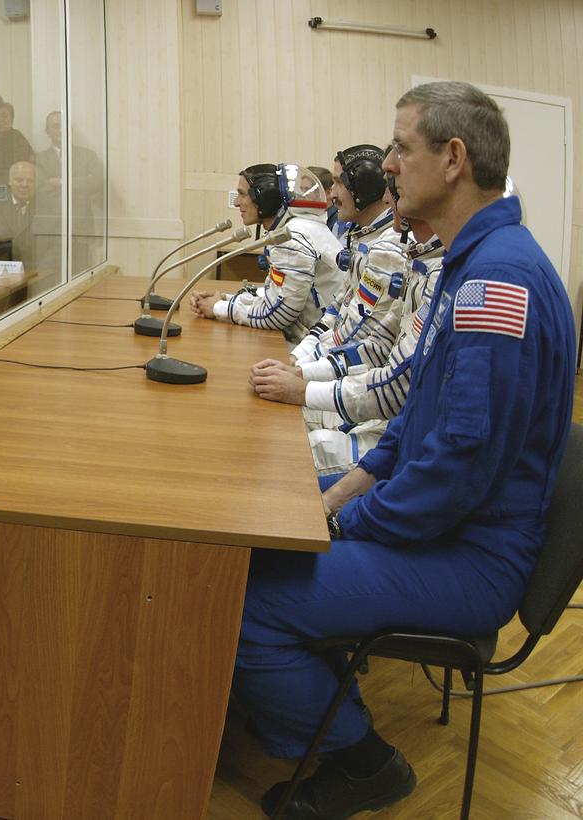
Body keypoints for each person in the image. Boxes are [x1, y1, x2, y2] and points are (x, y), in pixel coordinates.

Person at [237, 81, 575, 819]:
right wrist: (339, 494)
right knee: (272, 544)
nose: (383, 164)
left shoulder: (498, 281)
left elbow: (457, 464)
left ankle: (364, 763)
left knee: (249, 604)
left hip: (472, 557)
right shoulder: (472, 260)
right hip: (445, 531)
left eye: (399, 147)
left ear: (452, 159)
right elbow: (419, 417)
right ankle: (317, 705)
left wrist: (347, 524)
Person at [250, 204, 445, 477]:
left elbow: (393, 384)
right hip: (386, 414)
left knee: (292, 452)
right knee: (270, 420)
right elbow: (369, 339)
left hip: (405, 433)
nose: (332, 195)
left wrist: (302, 386)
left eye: (340, 182)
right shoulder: (415, 260)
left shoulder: (404, 258)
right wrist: (300, 372)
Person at [186, 163, 342, 344]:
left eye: (243, 194)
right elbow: (276, 296)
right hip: (313, 340)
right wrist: (227, 299)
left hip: (317, 348)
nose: (237, 202)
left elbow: (278, 315)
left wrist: (219, 308)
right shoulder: (296, 229)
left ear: (264, 197)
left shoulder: (294, 238)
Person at [287, 145, 407, 378]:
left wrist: (300, 371)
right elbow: (338, 308)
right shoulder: (363, 235)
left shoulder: (388, 248)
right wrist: (298, 358)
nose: (332, 194)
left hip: (360, 377)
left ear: (364, 187)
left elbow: (358, 333)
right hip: (338, 362)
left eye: (339, 183)